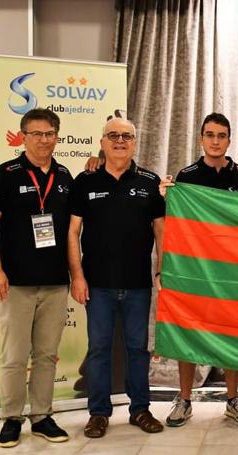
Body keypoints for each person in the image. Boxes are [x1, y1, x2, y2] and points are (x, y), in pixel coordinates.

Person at [68, 118, 166, 438]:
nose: (120, 141)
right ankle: (98, 413)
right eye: (113, 135)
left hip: (138, 284)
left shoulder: (150, 182)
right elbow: (73, 232)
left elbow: (161, 230)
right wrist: (77, 276)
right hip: (96, 284)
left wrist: (162, 269)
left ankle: (140, 409)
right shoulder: (84, 181)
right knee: (99, 349)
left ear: (135, 142)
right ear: (102, 141)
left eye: (127, 136)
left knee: (138, 348)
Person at [0, 108, 71, 448]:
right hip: (15, 281)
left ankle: (42, 416)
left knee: (47, 354)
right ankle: (11, 418)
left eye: (49, 133)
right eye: (36, 134)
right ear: (23, 136)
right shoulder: (5, 174)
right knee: (15, 356)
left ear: (56, 136)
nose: (43, 140)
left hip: (55, 281)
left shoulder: (64, 175)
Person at [160, 113, 238, 427]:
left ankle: (233, 399)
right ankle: (184, 399)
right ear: (201, 138)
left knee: (231, 334)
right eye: (210, 135)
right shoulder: (186, 177)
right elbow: (174, 224)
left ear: (229, 140)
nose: (215, 141)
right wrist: (167, 195)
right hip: (194, 269)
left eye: (221, 135)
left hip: (231, 271)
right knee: (186, 331)